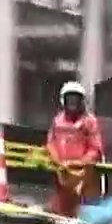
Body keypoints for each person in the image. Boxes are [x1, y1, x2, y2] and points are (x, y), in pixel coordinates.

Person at [46, 81, 106, 217]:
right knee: (60, 211)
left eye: (76, 99)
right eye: (70, 98)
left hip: (83, 174)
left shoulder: (89, 121)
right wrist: (59, 162)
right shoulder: (57, 120)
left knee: (84, 211)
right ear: (63, 100)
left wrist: (77, 164)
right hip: (62, 173)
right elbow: (50, 143)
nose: (73, 103)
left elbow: (95, 149)